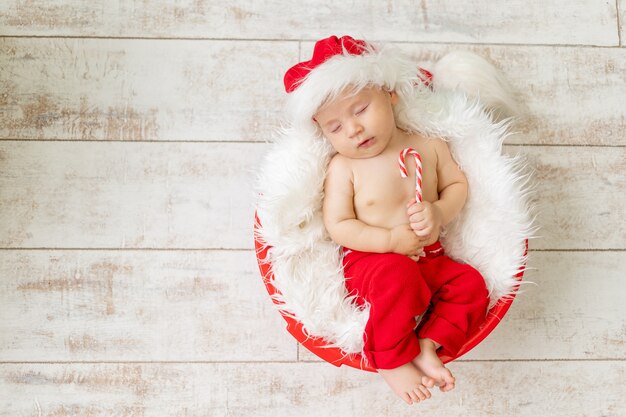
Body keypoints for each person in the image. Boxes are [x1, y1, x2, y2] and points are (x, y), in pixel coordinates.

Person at [283, 36, 490, 405]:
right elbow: (339, 225)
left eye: (360, 110)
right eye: (335, 127)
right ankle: (391, 359)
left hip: (431, 255)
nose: (353, 130)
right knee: (399, 278)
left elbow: (458, 184)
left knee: (470, 285)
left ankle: (427, 345)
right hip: (373, 262)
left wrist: (439, 211)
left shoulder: (429, 145)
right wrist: (389, 242)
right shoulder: (343, 167)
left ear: (389, 94)